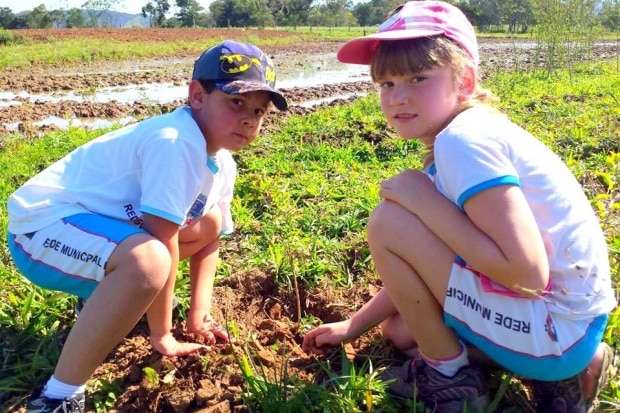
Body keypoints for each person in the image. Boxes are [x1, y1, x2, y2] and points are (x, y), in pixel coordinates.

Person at [302, 2, 616, 412]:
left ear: (464, 80)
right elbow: (432, 258)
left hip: (556, 331)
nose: (398, 97)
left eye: (418, 78)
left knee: (389, 223)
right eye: (387, 83)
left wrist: (422, 201)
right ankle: (570, 374)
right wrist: (355, 325)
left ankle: (452, 381)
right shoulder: (471, 131)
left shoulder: (462, 143)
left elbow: (527, 274)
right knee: (401, 330)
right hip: (575, 328)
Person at [7, 40, 287, 413]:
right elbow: (162, 240)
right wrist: (163, 334)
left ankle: (103, 298)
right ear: (197, 95)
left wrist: (198, 315)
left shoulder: (222, 163)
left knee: (210, 222)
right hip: (40, 229)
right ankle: (59, 397)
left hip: (92, 230)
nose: (250, 119)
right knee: (150, 261)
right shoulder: (174, 141)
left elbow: (210, 239)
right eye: (236, 102)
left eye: (259, 110)